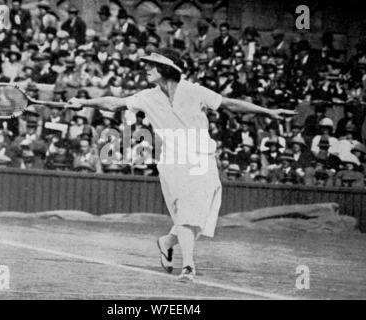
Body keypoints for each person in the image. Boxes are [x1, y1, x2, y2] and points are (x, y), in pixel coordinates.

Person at [60, 49, 296, 281]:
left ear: (166, 68)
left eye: (152, 65)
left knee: (198, 215)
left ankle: (167, 242)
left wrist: (268, 111)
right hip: (173, 162)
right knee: (186, 212)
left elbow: (229, 104)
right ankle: (189, 266)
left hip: (202, 158)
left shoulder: (194, 91)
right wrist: (84, 101)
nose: (147, 68)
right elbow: (114, 104)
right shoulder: (147, 96)